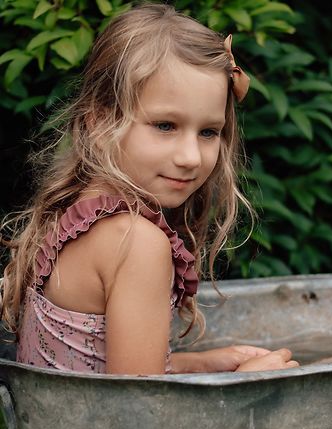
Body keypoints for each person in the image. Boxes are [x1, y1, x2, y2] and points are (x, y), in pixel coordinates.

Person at [0, 4, 299, 375]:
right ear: (99, 121)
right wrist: (241, 382)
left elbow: (102, 366)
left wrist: (206, 364)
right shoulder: (136, 242)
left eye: (208, 132)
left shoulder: (78, 209)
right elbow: (140, 411)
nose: (191, 157)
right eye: (165, 125)